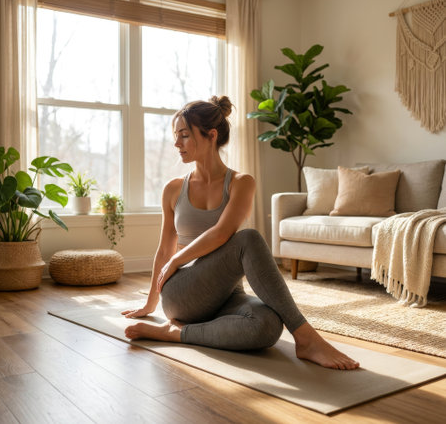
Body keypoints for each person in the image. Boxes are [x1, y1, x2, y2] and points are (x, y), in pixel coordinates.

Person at [122, 96, 359, 370]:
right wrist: (152, 303)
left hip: (227, 295)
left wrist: (175, 259)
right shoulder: (174, 189)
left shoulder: (241, 183)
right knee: (249, 238)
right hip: (182, 294)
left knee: (267, 326)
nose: (177, 144)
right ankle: (306, 338)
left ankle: (177, 333)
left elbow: (222, 232)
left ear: (211, 135)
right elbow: (165, 249)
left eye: (184, 136)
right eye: (176, 136)